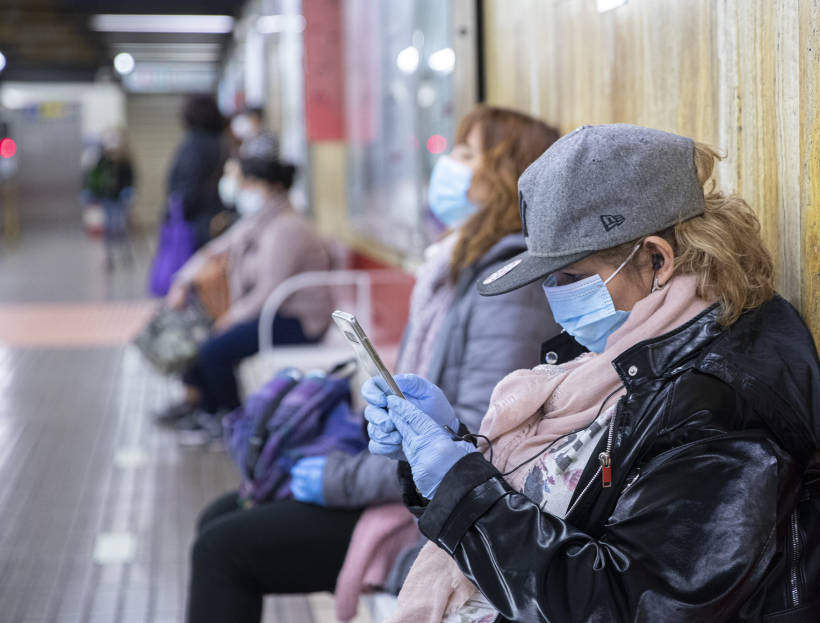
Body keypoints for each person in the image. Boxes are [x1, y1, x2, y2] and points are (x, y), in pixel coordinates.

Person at [363, 124, 820, 622]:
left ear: (657, 258)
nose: (554, 295)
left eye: (572, 278)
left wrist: (463, 492)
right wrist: (450, 449)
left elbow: (625, 605)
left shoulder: (716, 405)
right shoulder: (625, 355)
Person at [184, 106, 562, 623]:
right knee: (220, 518)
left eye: (466, 154)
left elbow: (475, 440)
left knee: (222, 548)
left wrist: (339, 478)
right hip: (400, 482)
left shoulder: (506, 288)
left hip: (428, 512)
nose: (447, 163)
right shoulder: (457, 267)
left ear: (503, 176)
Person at [156, 144, 333, 443]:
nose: (240, 188)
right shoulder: (258, 223)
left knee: (215, 350)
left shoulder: (287, 229)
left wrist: (232, 318)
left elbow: (268, 289)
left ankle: (230, 419)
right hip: (270, 312)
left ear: (273, 188)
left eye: (247, 182)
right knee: (205, 338)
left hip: (297, 321)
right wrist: (182, 281)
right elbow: (215, 250)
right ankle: (205, 409)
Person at [167, 95, 228, 248]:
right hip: (215, 218)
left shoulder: (194, 143)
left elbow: (187, 184)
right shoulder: (221, 141)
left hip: (194, 222)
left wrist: (172, 214)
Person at [83, 127, 135, 269]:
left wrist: (129, 190)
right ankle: (109, 258)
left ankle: (126, 256)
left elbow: (130, 178)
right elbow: (92, 177)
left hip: (119, 198)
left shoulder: (124, 162)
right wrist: (91, 192)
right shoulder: (101, 161)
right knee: (108, 228)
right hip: (106, 198)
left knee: (120, 227)